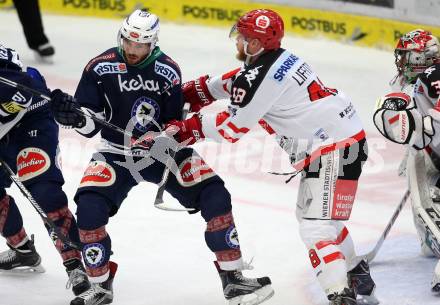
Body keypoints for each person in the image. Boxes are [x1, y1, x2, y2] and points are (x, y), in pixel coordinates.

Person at [48, 9, 273, 305]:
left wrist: (165, 136)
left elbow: (173, 121)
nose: (132, 49)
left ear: (152, 43)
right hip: (117, 152)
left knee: (215, 195)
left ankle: (232, 278)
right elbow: (92, 123)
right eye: (128, 41)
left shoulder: (168, 69)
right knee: (89, 209)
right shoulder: (99, 67)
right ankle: (100, 285)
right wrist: (75, 118)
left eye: (140, 44)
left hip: (162, 151)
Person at [166, 8, 378, 305]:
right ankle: (356, 272)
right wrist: (201, 90)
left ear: (255, 44)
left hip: (333, 148)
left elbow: (232, 128)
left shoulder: (257, 79)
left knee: (315, 227)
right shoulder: (279, 58)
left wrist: (188, 128)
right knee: (320, 219)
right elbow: (238, 81)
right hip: (343, 137)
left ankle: (341, 296)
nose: (237, 41)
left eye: (242, 37)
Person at [0, 44, 89, 295]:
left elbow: (24, 91)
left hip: (31, 123)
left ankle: (76, 264)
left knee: (44, 192)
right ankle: (23, 251)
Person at [373, 29, 440, 291]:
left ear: (422, 58)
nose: (400, 60)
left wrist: (429, 124)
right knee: (425, 195)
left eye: (406, 55)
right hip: (435, 150)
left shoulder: (434, 76)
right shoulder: (408, 81)